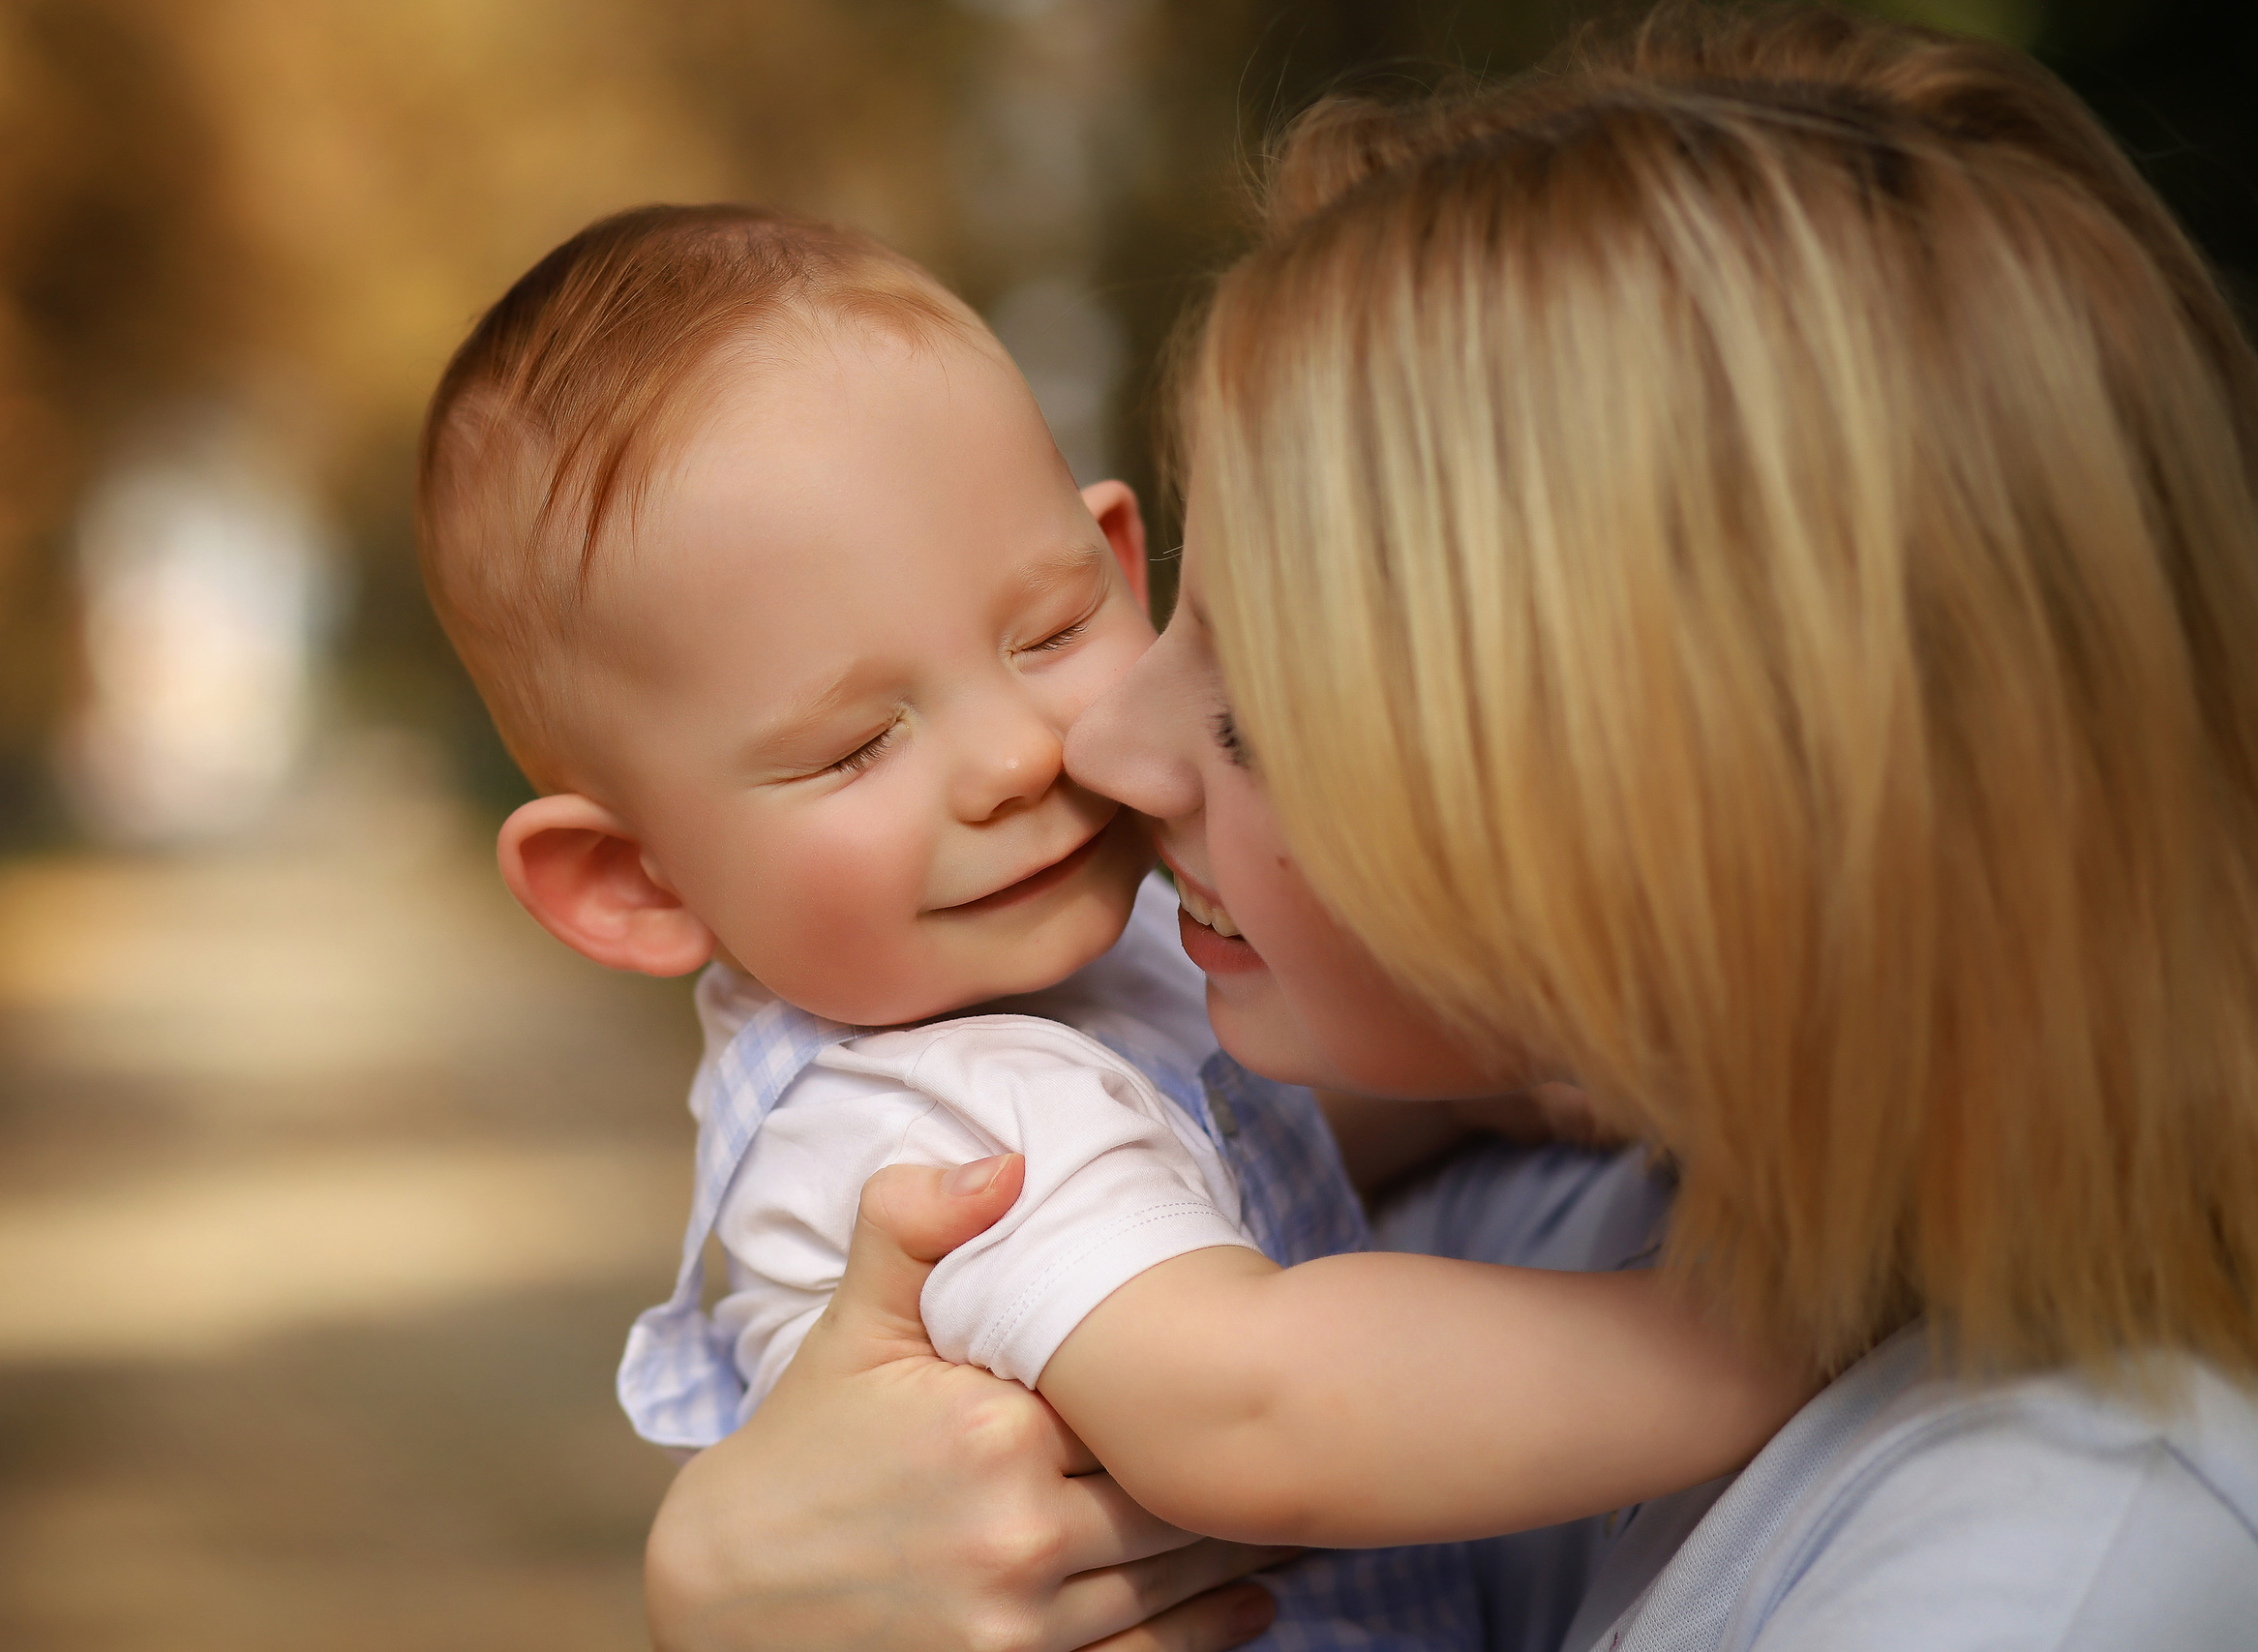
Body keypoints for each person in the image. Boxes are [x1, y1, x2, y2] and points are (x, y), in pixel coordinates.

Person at [640, 7, 2258, 1649]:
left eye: (1258, 713)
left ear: (1665, 813)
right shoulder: (1592, 1178)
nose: (1104, 749)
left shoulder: (2044, 1575)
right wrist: (725, 1569)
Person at [414, 203, 1806, 1650]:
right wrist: (1759, 1343)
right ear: (634, 884)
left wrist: (1499, 1089)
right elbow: (1254, 1402)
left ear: (1120, 564)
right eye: (852, 748)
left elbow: (1241, 1125)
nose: (1015, 753)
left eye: (1048, 634)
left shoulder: (1096, 964)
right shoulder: (923, 1125)